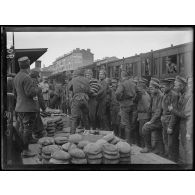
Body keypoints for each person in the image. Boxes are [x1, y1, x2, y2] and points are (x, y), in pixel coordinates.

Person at [13, 56, 41, 157]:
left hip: (20, 107)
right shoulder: (26, 77)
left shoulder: (17, 76)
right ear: (28, 64)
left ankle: (20, 147)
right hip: (28, 108)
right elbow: (30, 93)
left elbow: (15, 93)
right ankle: (25, 151)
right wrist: (38, 89)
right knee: (27, 130)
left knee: (22, 128)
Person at [168, 75, 192, 167]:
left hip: (186, 125)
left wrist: (172, 110)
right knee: (184, 145)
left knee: (187, 146)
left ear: (181, 85)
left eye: (176, 85)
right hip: (183, 124)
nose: (174, 87)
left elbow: (185, 114)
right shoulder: (182, 94)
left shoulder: (187, 96)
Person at [115, 71, 140, 144]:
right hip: (132, 104)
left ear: (122, 76)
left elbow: (117, 93)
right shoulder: (133, 83)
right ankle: (131, 141)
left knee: (126, 124)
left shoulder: (122, 83)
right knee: (131, 123)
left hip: (125, 105)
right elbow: (139, 92)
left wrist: (119, 99)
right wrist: (135, 100)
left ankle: (128, 141)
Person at [141, 79, 164, 154]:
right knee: (157, 134)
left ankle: (148, 147)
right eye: (149, 88)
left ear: (157, 88)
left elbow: (158, 111)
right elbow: (150, 108)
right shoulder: (154, 95)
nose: (150, 90)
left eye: (151, 88)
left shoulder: (161, 96)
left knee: (145, 128)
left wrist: (151, 121)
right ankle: (159, 150)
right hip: (155, 119)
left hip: (160, 119)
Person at [160, 77, 179, 161]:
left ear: (169, 86)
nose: (162, 88)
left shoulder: (174, 95)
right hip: (164, 121)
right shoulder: (165, 94)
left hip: (171, 122)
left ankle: (173, 160)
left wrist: (170, 126)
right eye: (161, 86)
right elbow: (163, 109)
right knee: (166, 140)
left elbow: (174, 113)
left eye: (164, 86)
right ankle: (168, 158)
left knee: (172, 143)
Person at [69, 69, 91, 134]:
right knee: (85, 116)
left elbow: (70, 89)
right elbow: (89, 91)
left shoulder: (73, 80)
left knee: (74, 117)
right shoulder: (87, 80)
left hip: (77, 98)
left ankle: (72, 134)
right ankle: (87, 132)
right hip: (85, 99)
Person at [30, 70, 47, 139]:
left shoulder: (28, 81)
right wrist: (44, 108)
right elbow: (40, 98)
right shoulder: (36, 84)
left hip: (25, 105)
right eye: (38, 77)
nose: (39, 78)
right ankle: (37, 134)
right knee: (37, 120)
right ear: (36, 77)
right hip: (34, 105)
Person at [137, 78, 151, 147]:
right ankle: (143, 146)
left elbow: (147, 108)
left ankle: (145, 146)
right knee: (141, 132)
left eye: (139, 87)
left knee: (143, 132)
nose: (137, 89)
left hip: (144, 116)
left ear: (142, 88)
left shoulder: (144, 95)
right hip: (141, 116)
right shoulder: (143, 94)